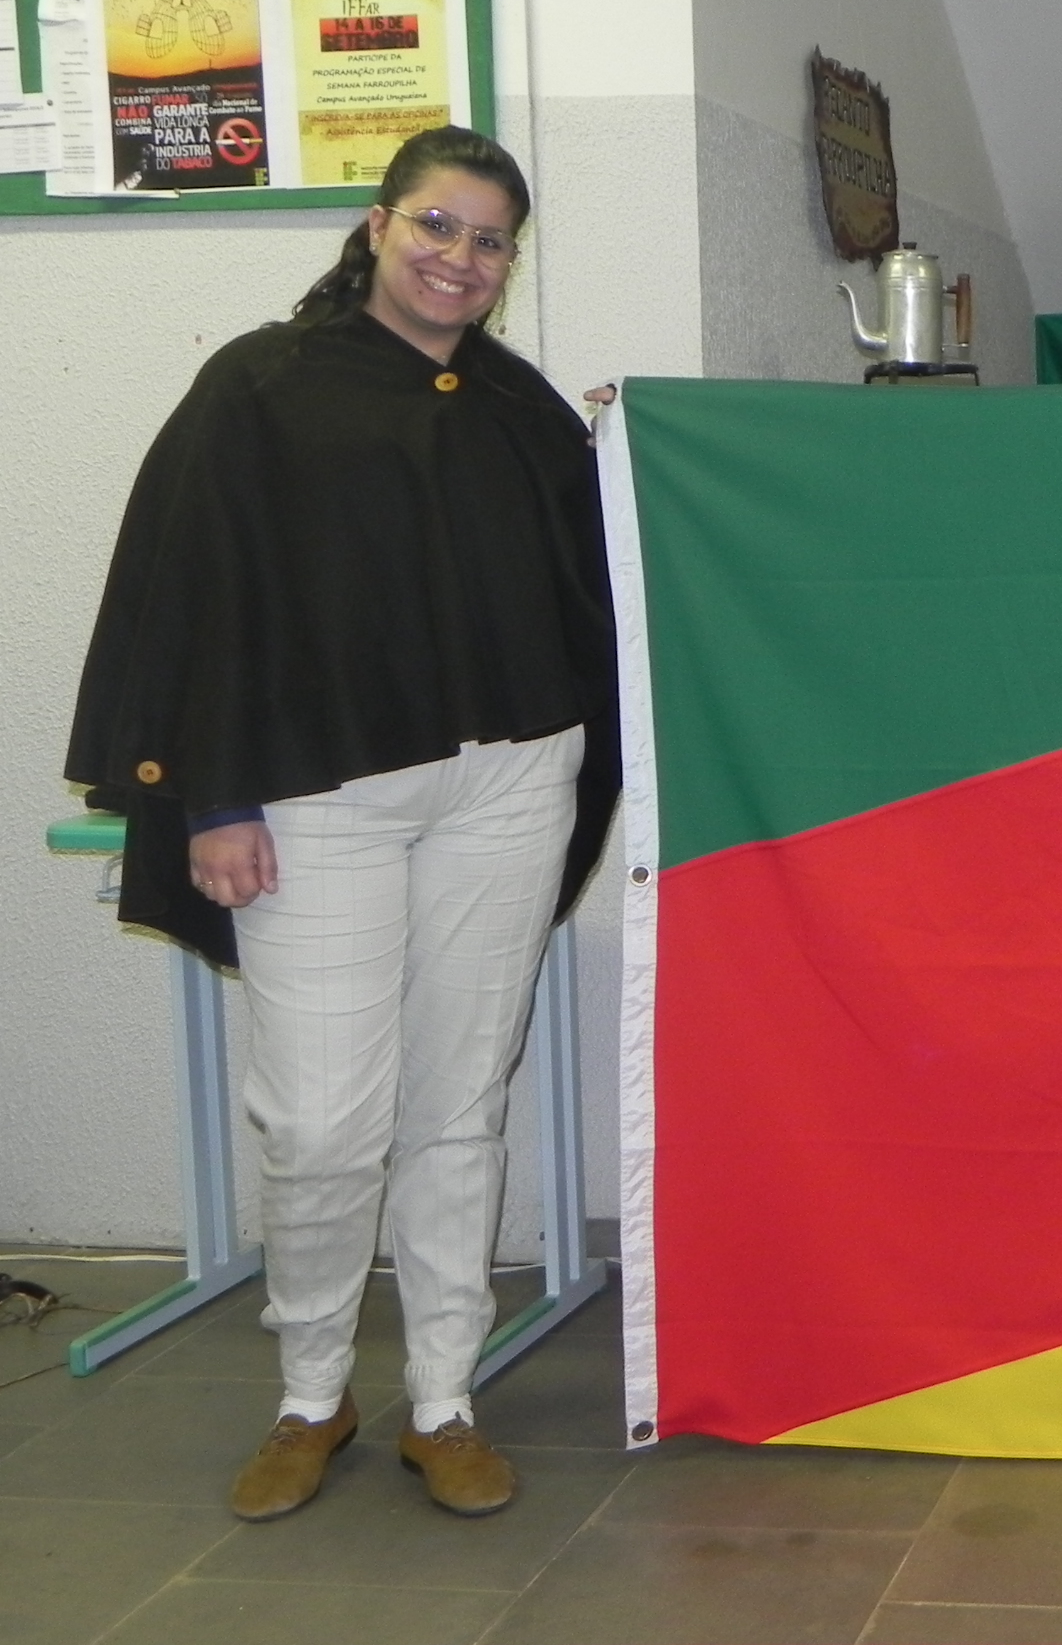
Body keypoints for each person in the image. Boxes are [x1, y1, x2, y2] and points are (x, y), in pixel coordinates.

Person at [65, 126, 618, 1520]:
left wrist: (628, 448)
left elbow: (592, 567)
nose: (460, 259)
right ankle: (313, 1392)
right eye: (437, 225)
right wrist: (211, 798)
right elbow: (191, 589)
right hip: (318, 803)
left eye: (489, 241)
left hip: (509, 785)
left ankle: (444, 1398)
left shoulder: (520, 404)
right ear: (378, 225)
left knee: (457, 1104)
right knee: (320, 1124)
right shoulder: (258, 386)